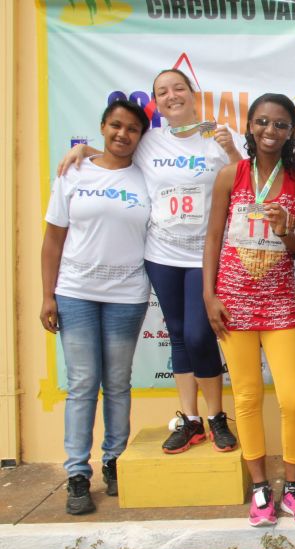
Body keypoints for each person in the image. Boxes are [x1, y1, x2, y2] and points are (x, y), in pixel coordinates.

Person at [58, 68, 242, 455]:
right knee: (178, 333)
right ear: (156, 102)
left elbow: (245, 181)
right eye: (162, 92)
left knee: (200, 334)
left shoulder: (217, 138)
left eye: (178, 88)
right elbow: (115, 152)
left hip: (205, 254)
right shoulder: (150, 141)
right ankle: (191, 419)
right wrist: (83, 151)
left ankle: (216, 416)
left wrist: (230, 150)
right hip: (161, 254)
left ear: (192, 93)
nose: (172, 95)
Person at [203, 93, 295, 527]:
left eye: (281, 124)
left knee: (294, 399)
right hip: (233, 304)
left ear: (291, 132)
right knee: (247, 398)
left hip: (281, 304)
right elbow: (213, 238)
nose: (271, 130)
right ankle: (259, 488)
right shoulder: (230, 176)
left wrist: (285, 231)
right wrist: (209, 296)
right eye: (263, 122)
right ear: (250, 126)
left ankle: (293, 486)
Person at [41, 100, 151, 515]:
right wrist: (48, 295)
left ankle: (114, 462)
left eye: (132, 129)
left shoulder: (146, 176)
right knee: (83, 383)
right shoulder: (73, 173)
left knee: (118, 383)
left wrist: (85, 148)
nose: (123, 134)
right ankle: (76, 474)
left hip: (127, 294)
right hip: (75, 293)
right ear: (103, 127)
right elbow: (52, 239)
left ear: (140, 137)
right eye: (116, 126)